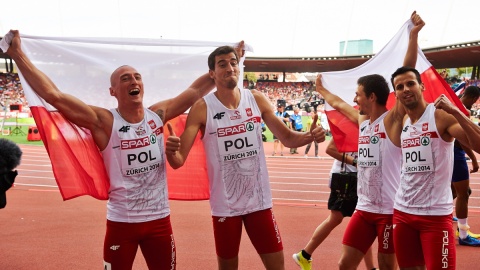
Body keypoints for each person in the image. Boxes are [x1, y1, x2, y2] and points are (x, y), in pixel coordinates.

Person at [5, 29, 245, 270]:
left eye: (137, 76)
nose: (133, 81)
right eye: (125, 78)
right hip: (122, 222)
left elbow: (194, 92)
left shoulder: (157, 116)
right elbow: (53, 96)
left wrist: (231, 62)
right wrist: (18, 55)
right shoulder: (104, 122)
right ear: (113, 91)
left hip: (159, 221)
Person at [165, 45, 326, 270]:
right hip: (225, 207)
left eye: (233, 63)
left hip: (258, 203)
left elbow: (288, 138)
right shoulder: (202, 108)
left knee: (277, 267)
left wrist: (310, 136)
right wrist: (171, 151)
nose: (230, 67)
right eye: (222, 64)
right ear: (212, 73)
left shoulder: (256, 99)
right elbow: (178, 160)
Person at [311, 11, 424, 270]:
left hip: (388, 211)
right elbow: (338, 104)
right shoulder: (363, 122)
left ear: (372, 97)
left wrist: (413, 36)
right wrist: (321, 90)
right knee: (344, 265)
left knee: (387, 267)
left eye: (358, 95)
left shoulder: (393, 119)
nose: (354, 100)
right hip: (364, 209)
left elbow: (408, 70)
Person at [390, 69, 480, 269]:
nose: (406, 89)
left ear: (421, 86)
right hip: (403, 212)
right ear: (395, 94)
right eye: (399, 86)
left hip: (435, 217)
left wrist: (456, 112)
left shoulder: (440, 116)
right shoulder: (404, 121)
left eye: (411, 83)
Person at [293, 139, 376, 270]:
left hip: (357, 178)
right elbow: (330, 149)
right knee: (348, 219)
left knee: (362, 220)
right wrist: (355, 162)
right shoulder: (347, 126)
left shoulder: (368, 126)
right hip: (345, 179)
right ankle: (304, 254)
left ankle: (305, 254)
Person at [451, 85, 480, 246]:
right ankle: (463, 235)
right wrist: (474, 160)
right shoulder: (461, 111)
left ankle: (447, 215)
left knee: (451, 190)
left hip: (447, 154)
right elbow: (464, 140)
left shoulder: (452, 104)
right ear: (474, 98)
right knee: (464, 193)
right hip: (456, 154)